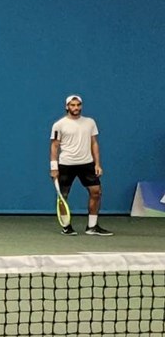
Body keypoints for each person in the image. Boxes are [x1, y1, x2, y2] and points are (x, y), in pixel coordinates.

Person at [51, 94, 112, 236]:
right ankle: (66, 227)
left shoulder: (90, 122)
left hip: (87, 164)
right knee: (63, 196)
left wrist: (97, 164)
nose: (76, 108)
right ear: (67, 107)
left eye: (78, 105)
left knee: (96, 192)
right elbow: (54, 146)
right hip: (66, 164)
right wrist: (54, 167)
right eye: (72, 105)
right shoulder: (59, 125)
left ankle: (92, 226)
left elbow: (94, 143)